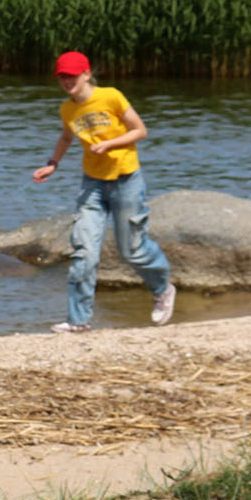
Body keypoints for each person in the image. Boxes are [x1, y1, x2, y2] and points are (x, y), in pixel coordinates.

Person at [32, 51, 176, 333]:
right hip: (93, 183)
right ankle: (78, 321)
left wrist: (110, 145)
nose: (67, 81)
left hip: (126, 180)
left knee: (132, 249)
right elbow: (65, 137)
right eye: (62, 76)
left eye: (72, 75)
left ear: (87, 74)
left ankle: (162, 289)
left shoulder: (111, 96)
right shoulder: (68, 110)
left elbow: (140, 130)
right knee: (84, 250)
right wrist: (52, 164)